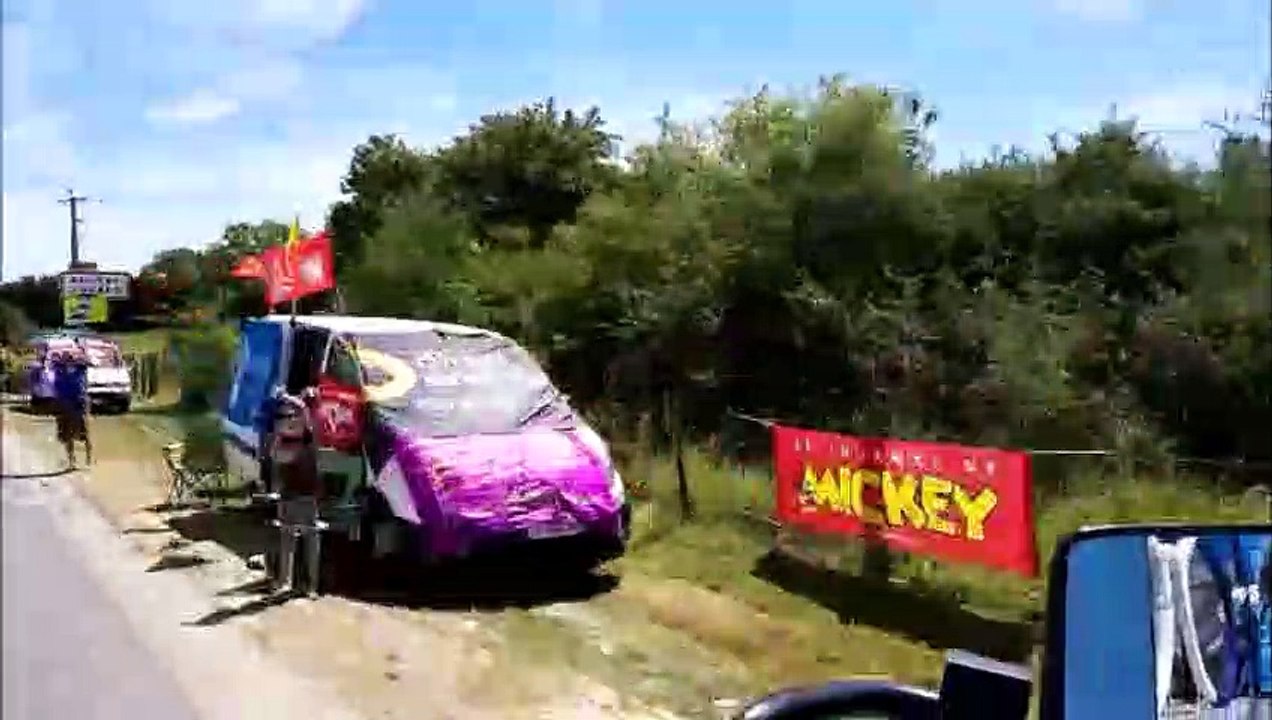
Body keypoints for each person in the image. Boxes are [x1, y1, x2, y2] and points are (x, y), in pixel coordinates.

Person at [52, 348, 92, 468]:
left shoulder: (80, 371)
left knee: (84, 434)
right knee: (67, 436)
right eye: (65, 359)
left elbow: (88, 362)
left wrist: (79, 356)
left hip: (79, 405)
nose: (67, 361)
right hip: (64, 405)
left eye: (69, 358)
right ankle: (71, 460)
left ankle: (88, 459)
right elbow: (53, 362)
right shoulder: (59, 372)